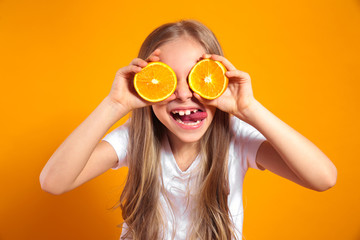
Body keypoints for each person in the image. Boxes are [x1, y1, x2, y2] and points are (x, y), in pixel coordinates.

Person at [39, 20, 337, 240]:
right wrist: (115, 104)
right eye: (168, 80)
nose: (183, 94)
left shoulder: (237, 138)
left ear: (219, 80)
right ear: (148, 86)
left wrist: (249, 110)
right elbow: (53, 182)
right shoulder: (136, 138)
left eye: (197, 78)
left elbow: (324, 178)